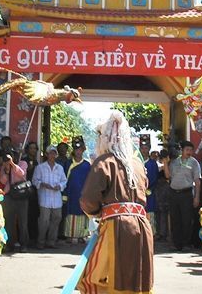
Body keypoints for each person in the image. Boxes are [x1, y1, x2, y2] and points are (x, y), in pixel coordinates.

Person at [77, 111, 153, 294]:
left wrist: (96, 213)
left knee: (99, 277)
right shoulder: (137, 164)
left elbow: (88, 199)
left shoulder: (105, 162)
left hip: (115, 227)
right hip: (142, 227)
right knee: (137, 277)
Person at [162, 140, 201, 251]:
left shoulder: (194, 162)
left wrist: (196, 197)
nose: (189, 152)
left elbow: (197, 181)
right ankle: (176, 243)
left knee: (187, 219)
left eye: (191, 150)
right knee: (175, 219)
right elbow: (168, 176)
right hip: (173, 193)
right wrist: (165, 162)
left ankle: (186, 244)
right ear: (182, 150)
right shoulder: (174, 162)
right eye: (187, 150)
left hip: (187, 193)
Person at [32, 145, 67, 249]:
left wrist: (59, 186)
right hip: (44, 198)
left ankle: (51, 241)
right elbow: (34, 180)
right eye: (50, 153)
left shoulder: (59, 168)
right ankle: (41, 242)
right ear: (47, 155)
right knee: (44, 220)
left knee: (57, 218)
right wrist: (42, 184)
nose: (52, 155)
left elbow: (64, 181)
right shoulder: (40, 167)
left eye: (54, 153)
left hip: (56, 198)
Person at [63, 136, 91, 244]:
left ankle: (82, 235)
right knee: (70, 214)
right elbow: (64, 179)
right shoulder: (68, 163)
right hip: (70, 193)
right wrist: (64, 195)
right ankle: (69, 235)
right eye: (76, 150)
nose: (78, 152)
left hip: (82, 193)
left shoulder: (87, 165)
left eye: (80, 150)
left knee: (83, 215)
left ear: (83, 150)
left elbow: (89, 181)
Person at [0, 153, 29, 252]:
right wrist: (6, 169)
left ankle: (24, 244)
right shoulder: (4, 166)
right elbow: (3, 181)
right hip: (9, 195)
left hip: (21, 194)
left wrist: (12, 164)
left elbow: (21, 174)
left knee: (23, 221)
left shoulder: (23, 163)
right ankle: (9, 244)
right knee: (9, 221)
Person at [140, 135, 158, 234]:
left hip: (149, 192)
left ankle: (150, 232)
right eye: (142, 148)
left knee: (149, 211)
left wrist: (149, 189)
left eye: (146, 148)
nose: (144, 150)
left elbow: (155, 178)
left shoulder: (152, 163)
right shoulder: (136, 162)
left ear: (149, 149)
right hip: (138, 191)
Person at [154, 149, 172, 242]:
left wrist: (166, 164)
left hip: (167, 189)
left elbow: (167, 175)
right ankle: (161, 232)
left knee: (166, 211)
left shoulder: (170, 165)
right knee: (160, 212)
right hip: (160, 189)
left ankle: (166, 233)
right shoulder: (158, 165)